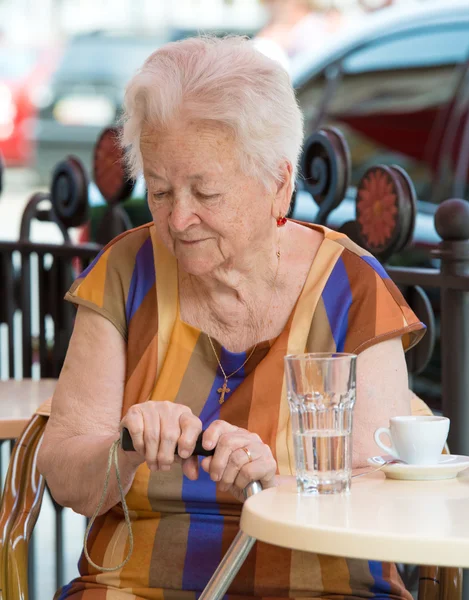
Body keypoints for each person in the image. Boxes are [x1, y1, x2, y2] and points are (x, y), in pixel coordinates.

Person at [37, 35, 425, 600]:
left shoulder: (351, 288)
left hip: (321, 588)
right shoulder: (126, 271)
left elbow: (385, 499)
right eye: (162, 191)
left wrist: (277, 485)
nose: (178, 217)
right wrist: (122, 447)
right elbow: (65, 473)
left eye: (206, 191)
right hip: (137, 586)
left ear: (279, 185)